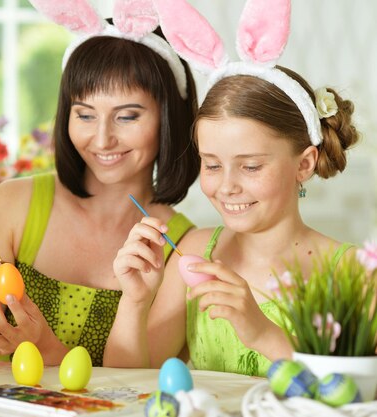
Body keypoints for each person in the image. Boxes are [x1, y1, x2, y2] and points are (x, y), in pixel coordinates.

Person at [0, 2, 200, 367]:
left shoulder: (182, 249)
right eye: (85, 114)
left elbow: (134, 391)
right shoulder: (14, 205)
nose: (103, 139)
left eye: (126, 116)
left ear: (169, 116)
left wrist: (45, 345)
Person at [104, 0, 359, 375]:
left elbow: (359, 397)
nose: (226, 186)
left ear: (303, 164)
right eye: (211, 164)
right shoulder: (195, 252)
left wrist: (263, 334)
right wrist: (136, 301)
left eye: (251, 166)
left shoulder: (353, 274)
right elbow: (124, 385)